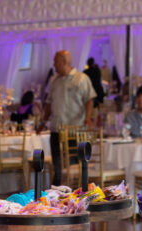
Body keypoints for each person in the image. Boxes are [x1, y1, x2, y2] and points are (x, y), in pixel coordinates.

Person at [41, 50, 97, 186]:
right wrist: (43, 121)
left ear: (64, 62)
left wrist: (87, 118)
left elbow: (90, 99)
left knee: (73, 167)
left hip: (74, 130)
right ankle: (56, 194)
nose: (53, 65)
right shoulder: (54, 80)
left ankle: (74, 194)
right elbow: (49, 102)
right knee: (57, 167)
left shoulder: (81, 78)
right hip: (56, 129)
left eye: (56, 62)